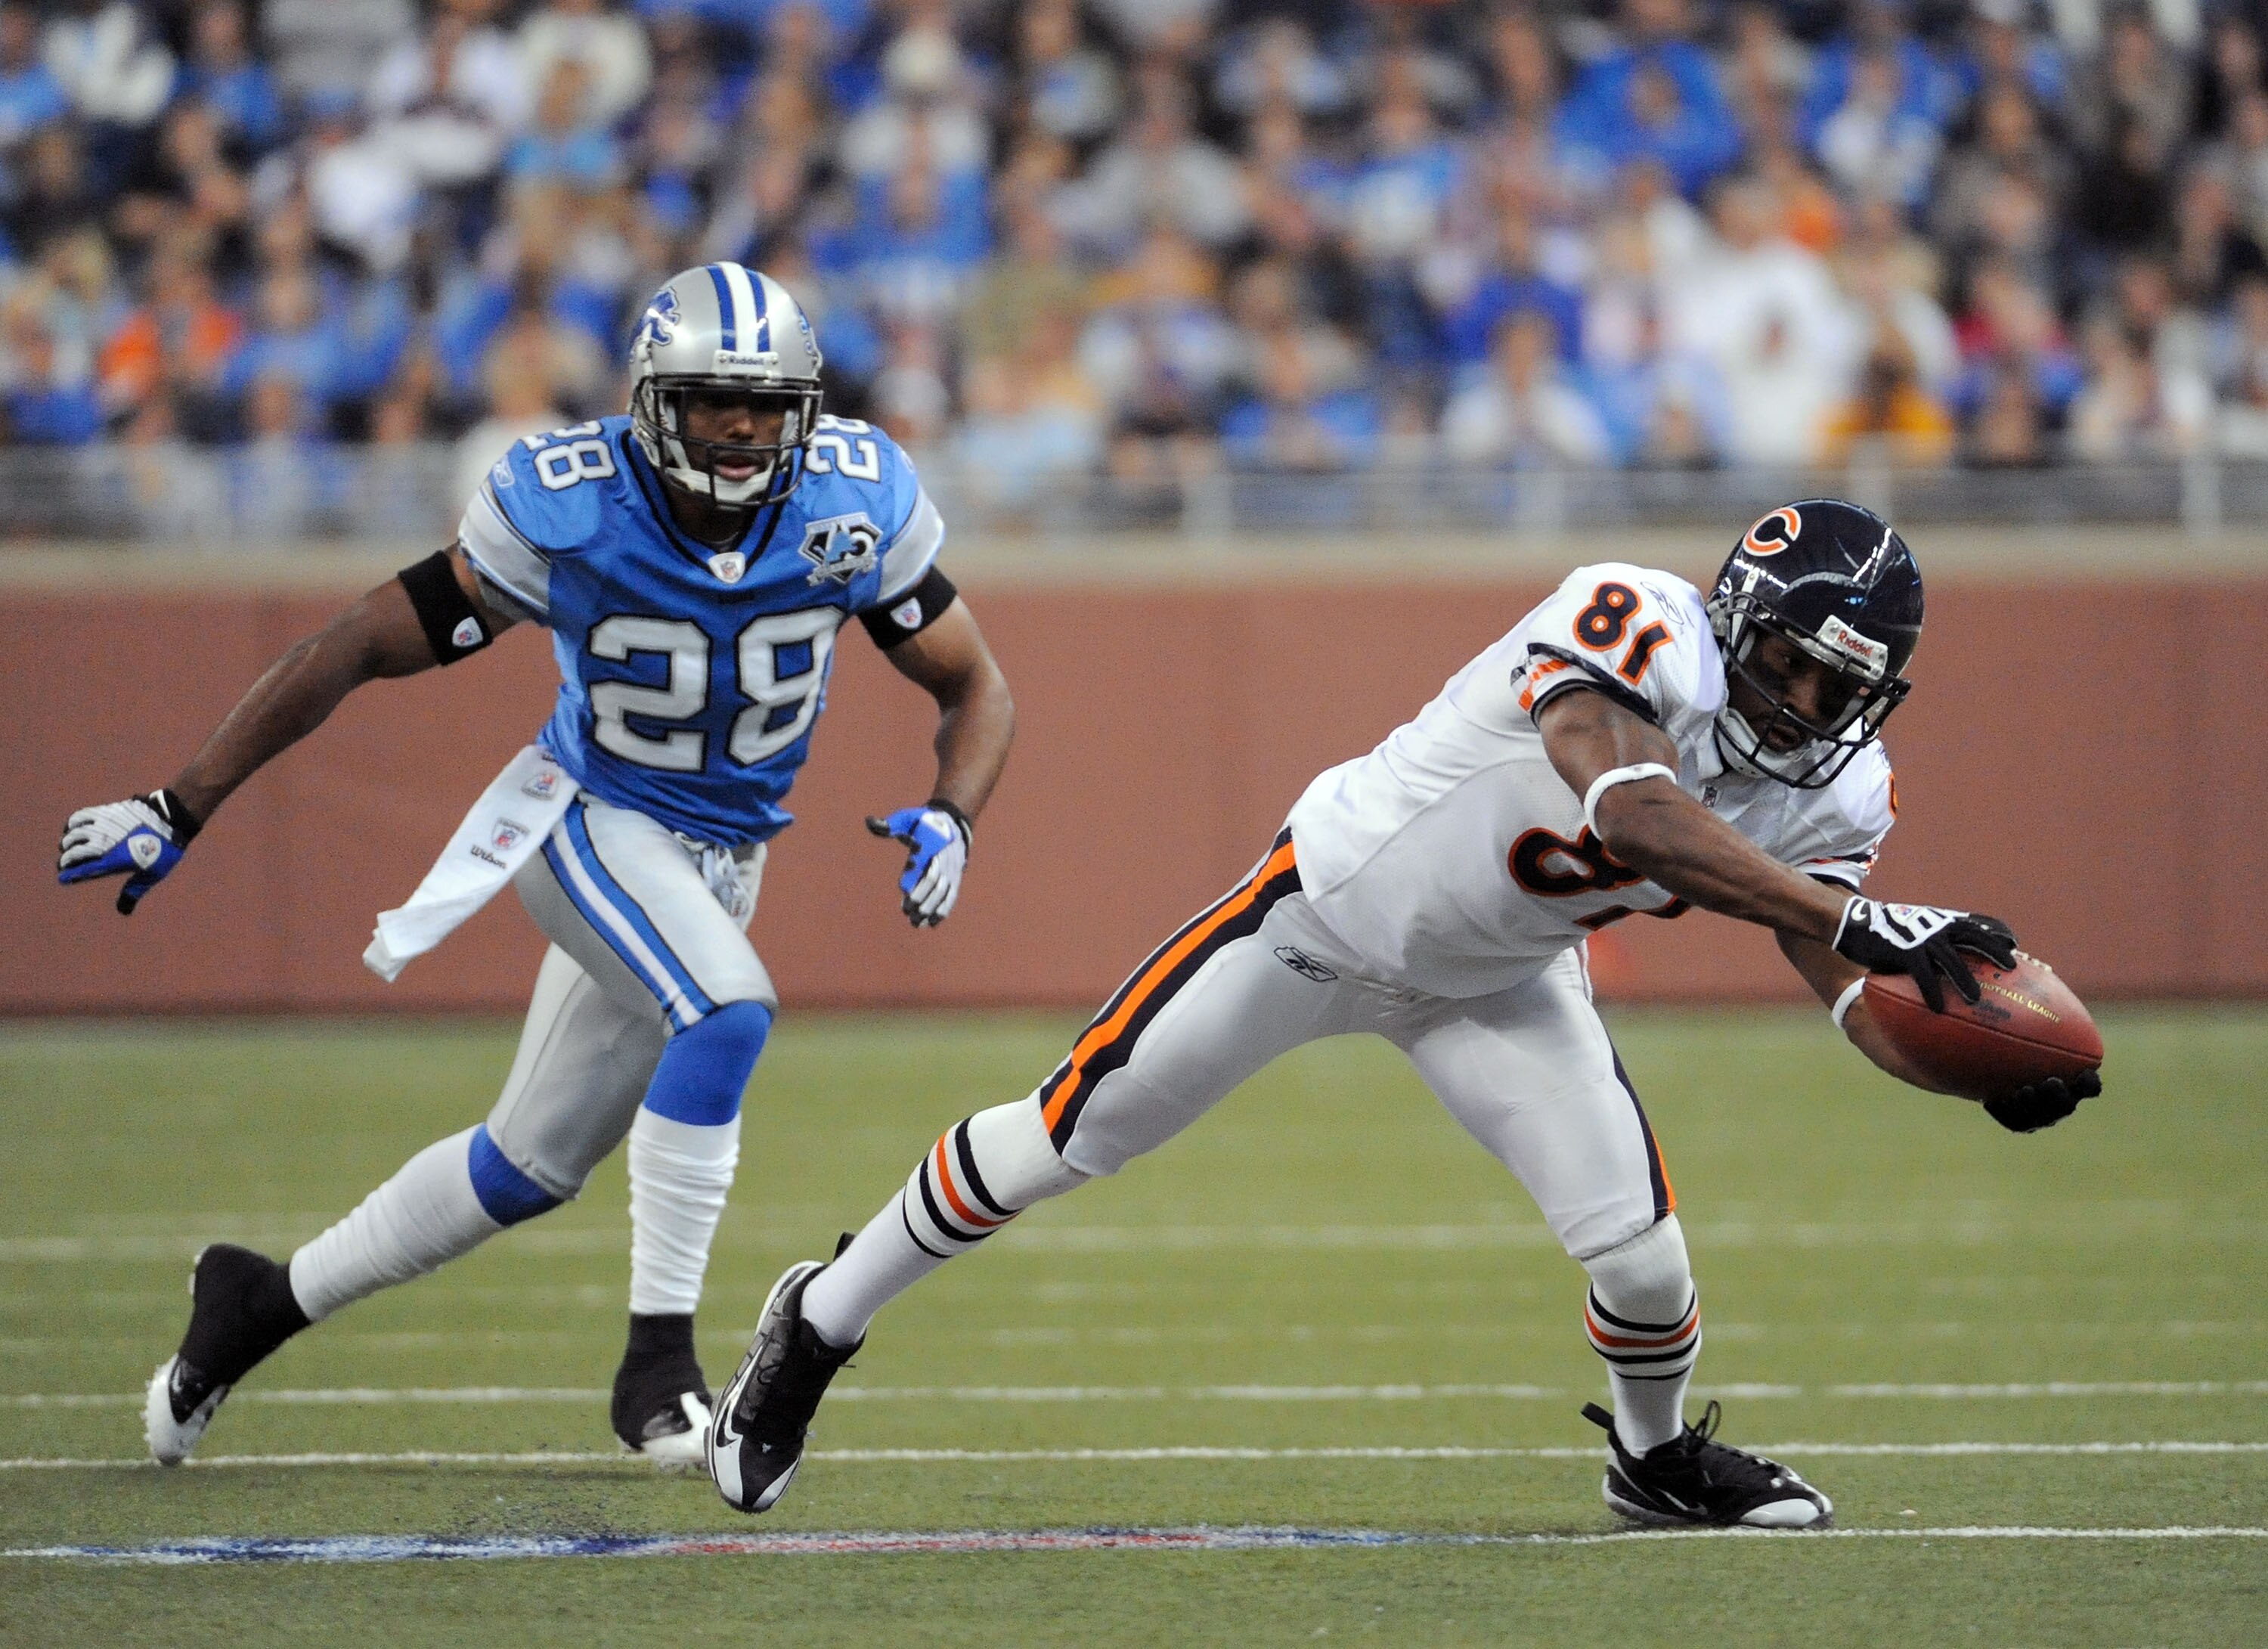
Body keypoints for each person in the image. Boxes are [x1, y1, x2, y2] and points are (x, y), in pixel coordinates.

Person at [704, 498, 2100, 1527]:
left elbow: (1836, 973)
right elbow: (1633, 807)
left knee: (1646, 1261)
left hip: (1502, 979)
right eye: (1794, 662)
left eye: (1841, 685)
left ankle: (1652, 1460)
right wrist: (1864, 921)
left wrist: (1959, 1053)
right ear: (1735, 613)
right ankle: (818, 1321)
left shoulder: (1843, 793)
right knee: (1058, 1139)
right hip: (1318, 913)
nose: (1806, 705)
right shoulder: (1638, 618)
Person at [56, 262, 1015, 1470]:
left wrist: (955, 813)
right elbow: (357, 641)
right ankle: (661, 1367)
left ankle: (253, 1304)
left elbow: (975, 683)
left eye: (766, 404)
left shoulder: (854, 497)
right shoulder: (572, 504)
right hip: (590, 815)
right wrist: (179, 802)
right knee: (727, 1011)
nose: (741, 427)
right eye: (714, 399)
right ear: (651, 399)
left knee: (523, 1168)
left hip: (721, 857)